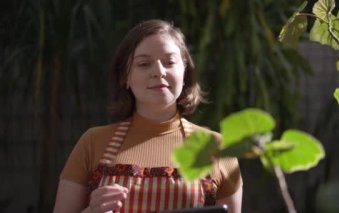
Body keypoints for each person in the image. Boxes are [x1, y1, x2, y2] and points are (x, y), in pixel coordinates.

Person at [53, 19, 242, 213]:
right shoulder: (91, 143)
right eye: (144, 64)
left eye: (169, 62)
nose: (159, 72)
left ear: (184, 71)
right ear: (126, 76)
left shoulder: (218, 149)